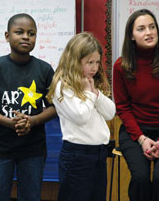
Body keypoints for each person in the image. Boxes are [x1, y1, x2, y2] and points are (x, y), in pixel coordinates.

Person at [0, 13, 56, 201]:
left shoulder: (45, 70)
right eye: (19, 32)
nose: (26, 37)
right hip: (1, 148)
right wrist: (9, 122)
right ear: (7, 36)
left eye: (31, 33)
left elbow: (55, 107)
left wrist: (33, 120)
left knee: (31, 196)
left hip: (33, 149)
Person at [112, 9, 159, 201]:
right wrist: (142, 139)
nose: (149, 32)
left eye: (152, 27)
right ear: (131, 35)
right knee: (140, 178)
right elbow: (122, 108)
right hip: (135, 134)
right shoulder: (121, 66)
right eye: (141, 28)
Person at [47, 32, 116, 201]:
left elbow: (110, 112)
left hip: (98, 153)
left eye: (97, 62)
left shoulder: (91, 83)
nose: (94, 68)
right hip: (77, 156)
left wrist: (96, 94)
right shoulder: (63, 86)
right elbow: (81, 116)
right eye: (89, 62)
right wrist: (88, 93)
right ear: (75, 61)